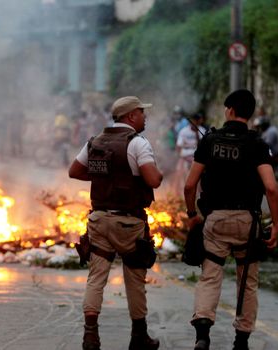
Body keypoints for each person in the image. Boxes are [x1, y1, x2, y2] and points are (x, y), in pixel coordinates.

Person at [184, 89, 278, 350]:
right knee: (247, 280)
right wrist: (277, 225)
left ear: (229, 110)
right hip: (248, 223)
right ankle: (242, 339)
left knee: (210, 275)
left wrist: (192, 215)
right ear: (249, 114)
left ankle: (202, 334)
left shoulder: (210, 141)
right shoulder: (257, 144)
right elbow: (271, 188)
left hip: (215, 220)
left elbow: (190, 185)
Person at [69, 96, 163, 350]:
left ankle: (90, 336)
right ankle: (138, 336)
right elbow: (153, 180)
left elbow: (74, 171)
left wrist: (104, 176)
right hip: (128, 222)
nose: (145, 117)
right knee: (134, 278)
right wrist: (158, 173)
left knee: (96, 277)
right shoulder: (137, 143)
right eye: (142, 113)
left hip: (98, 220)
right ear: (130, 116)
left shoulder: (95, 141)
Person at [172, 113, 206, 196]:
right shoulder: (184, 131)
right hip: (184, 156)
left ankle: (200, 195)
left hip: (197, 157)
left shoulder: (202, 130)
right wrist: (181, 156)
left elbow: (203, 146)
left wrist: (197, 133)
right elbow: (178, 146)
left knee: (201, 176)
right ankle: (176, 194)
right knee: (178, 172)